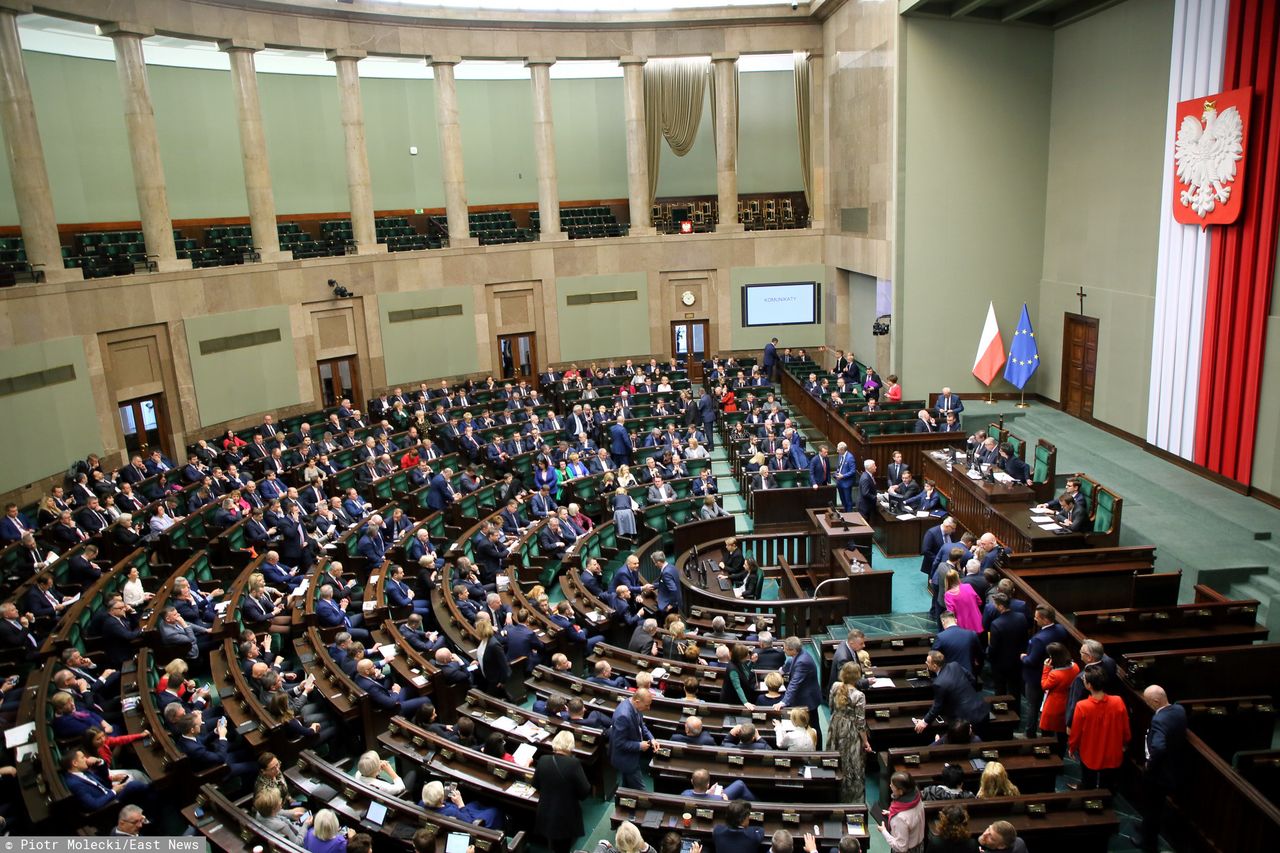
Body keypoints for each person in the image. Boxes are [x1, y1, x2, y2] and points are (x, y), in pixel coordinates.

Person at [1131, 684, 1187, 852]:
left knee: (1152, 809)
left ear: (1156, 701)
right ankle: (1144, 828)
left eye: (1148, 701)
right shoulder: (1179, 710)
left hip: (1159, 775)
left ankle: (1148, 843)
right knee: (1152, 808)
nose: (1147, 704)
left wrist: (1150, 764)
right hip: (1172, 768)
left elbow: (1159, 747)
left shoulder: (1159, 720)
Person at [1068, 664, 1130, 791]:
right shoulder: (1118, 701)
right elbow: (1125, 727)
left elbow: (1076, 732)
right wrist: (1125, 743)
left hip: (1090, 752)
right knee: (1108, 785)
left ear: (1089, 685)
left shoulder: (1082, 706)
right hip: (1113, 752)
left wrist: (1072, 747)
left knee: (1088, 783)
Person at [533, 730, 592, 853]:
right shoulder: (574, 764)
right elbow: (585, 792)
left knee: (553, 845)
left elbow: (535, 784)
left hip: (545, 811)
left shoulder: (543, 760)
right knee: (563, 848)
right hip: (564, 817)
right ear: (571, 745)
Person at [1021, 605, 1069, 737]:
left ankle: (1030, 733)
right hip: (1054, 674)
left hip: (1036, 678)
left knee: (1033, 706)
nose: (1035, 620)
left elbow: (1031, 661)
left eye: (1037, 618)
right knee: (1045, 706)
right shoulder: (1061, 630)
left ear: (1046, 620)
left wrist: (1023, 657)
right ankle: (1046, 734)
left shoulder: (1039, 639)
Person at [915, 651, 987, 735]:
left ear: (934, 666)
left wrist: (924, 722)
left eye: (927, 662)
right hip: (981, 708)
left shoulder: (939, 683)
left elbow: (937, 706)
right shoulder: (954, 665)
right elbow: (972, 679)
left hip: (968, 719)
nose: (925, 663)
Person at [828, 661, 871, 802]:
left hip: (835, 725)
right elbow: (860, 722)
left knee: (834, 758)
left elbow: (830, 707)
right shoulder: (859, 695)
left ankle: (833, 793)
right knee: (852, 763)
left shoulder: (835, 686)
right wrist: (866, 742)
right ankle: (850, 798)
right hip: (850, 730)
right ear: (857, 676)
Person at [610, 687, 657, 789]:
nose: (648, 708)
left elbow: (640, 725)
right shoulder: (623, 716)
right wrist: (639, 745)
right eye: (647, 705)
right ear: (637, 701)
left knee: (626, 786)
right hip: (625, 759)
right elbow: (619, 743)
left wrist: (651, 738)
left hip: (631, 755)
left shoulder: (634, 706)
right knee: (641, 792)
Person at [1038, 642, 1078, 750]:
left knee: (1046, 732)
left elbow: (1044, 685)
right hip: (1068, 702)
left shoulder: (1055, 674)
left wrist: (1046, 668)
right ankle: (1060, 754)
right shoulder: (1075, 667)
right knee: (1062, 733)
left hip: (1054, 705)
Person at [877, 771, 926, 853]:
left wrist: (884, 831)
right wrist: (891, 813)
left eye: (892, 786)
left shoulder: (900, 818)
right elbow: (912, 818)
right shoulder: (916, 797)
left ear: (900, 791)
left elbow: (901, 848)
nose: (890, 786)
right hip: (919, 846)